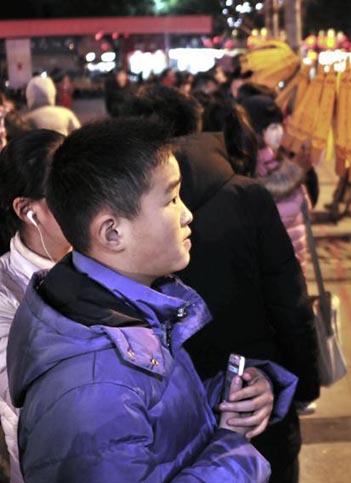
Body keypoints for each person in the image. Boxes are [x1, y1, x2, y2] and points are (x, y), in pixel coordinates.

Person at [7, 118, 294, 481]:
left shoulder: (120, 312)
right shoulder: (94, 392)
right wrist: (233, 450)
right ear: (113, 232)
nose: (187, 213)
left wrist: (232, 395)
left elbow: (156, 424)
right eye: (171, 198)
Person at [123, 86, 320, 483]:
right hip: (252, 395)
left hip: (168, 415)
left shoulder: (126, 211)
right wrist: (301, 383)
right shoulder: (246, 195)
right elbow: (289, 303)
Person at [0, 130, 70, 483]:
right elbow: (24, 406)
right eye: (69, 193)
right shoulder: (4, 296)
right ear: (28, 211)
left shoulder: (111, 259)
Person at [242, 94, 309, 273]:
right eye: (273, 127)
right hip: (293, 272)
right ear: (256, 131)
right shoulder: (286, 168)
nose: (280, 132)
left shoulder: (246, 173)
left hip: (275, 275)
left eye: (280, 125)